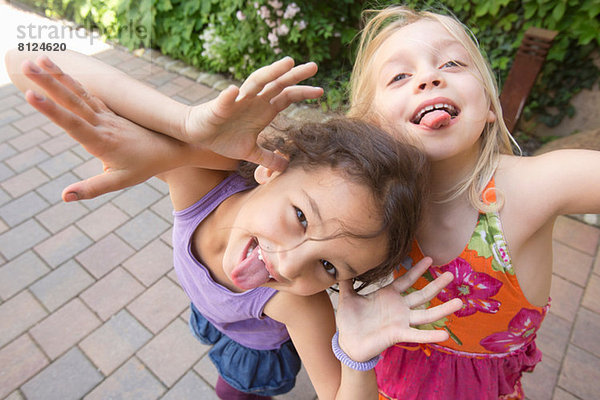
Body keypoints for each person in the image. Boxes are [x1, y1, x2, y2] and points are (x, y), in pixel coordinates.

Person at [6, 53, 462, 400]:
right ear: (271, 169)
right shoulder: (199, 180)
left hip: (251, 357)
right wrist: (183, 125)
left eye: (327, 266)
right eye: (300, 217)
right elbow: (26, 59)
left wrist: (359, 358)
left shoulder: (296, 306)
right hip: (209, 316)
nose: (287, 263)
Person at [345, 5, 600, 400]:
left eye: (451, 63)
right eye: (400, 75)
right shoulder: (364, 205)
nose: (430, 78)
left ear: (489, 106)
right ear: (370, 125)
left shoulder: (529, 189)